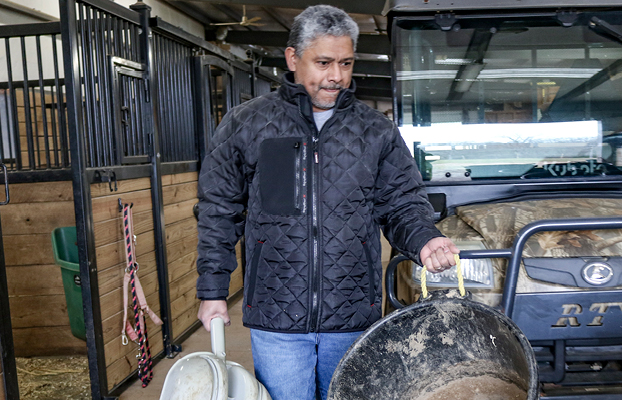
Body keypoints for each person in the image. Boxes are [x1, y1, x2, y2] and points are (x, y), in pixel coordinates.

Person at [195, 5, 459, 400]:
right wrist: (213, 291)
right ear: (292, 58)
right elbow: (219, 211)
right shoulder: (246, 124)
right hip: (276, 311)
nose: (336, 76)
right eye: (323, 62)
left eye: (346, 63)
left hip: (353, 309)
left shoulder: (375, 131)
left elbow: (402, 201)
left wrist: (425, 238)